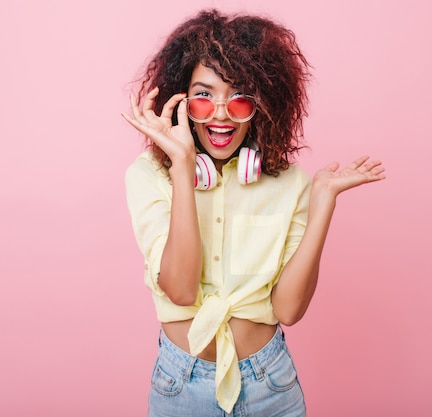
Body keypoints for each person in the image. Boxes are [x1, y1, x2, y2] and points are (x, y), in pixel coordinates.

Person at [122, 8, 385, 417]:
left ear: (262, 104)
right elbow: (181, 290)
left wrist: (322, 204)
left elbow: (289, 311)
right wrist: (182, 168)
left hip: (270, 385)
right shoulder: (149, 176)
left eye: (239, 98)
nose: (222, 113)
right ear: (182, 100)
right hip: (181, 387)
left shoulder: (288, 182)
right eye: (204, 96)